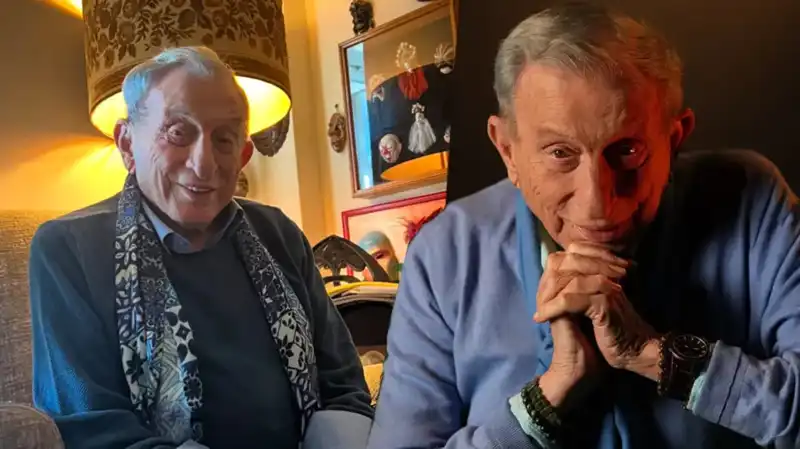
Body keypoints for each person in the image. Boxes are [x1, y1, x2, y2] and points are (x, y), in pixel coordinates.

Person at [368, 4, 800, 449]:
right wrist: (546, 400)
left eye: (627, 151)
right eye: (560, 153)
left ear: (674, 139)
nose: (597, 204)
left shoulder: (751, 199)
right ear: (508, 151)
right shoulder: (444, 255)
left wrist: (653, 354)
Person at [29, 47, 373, 449]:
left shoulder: (278, 232)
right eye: (178, 133)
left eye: (224, 139)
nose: (204, 164)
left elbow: (343, 384)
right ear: (127, 143)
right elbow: (92, 430)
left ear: (244, 154)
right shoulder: (67, 249)